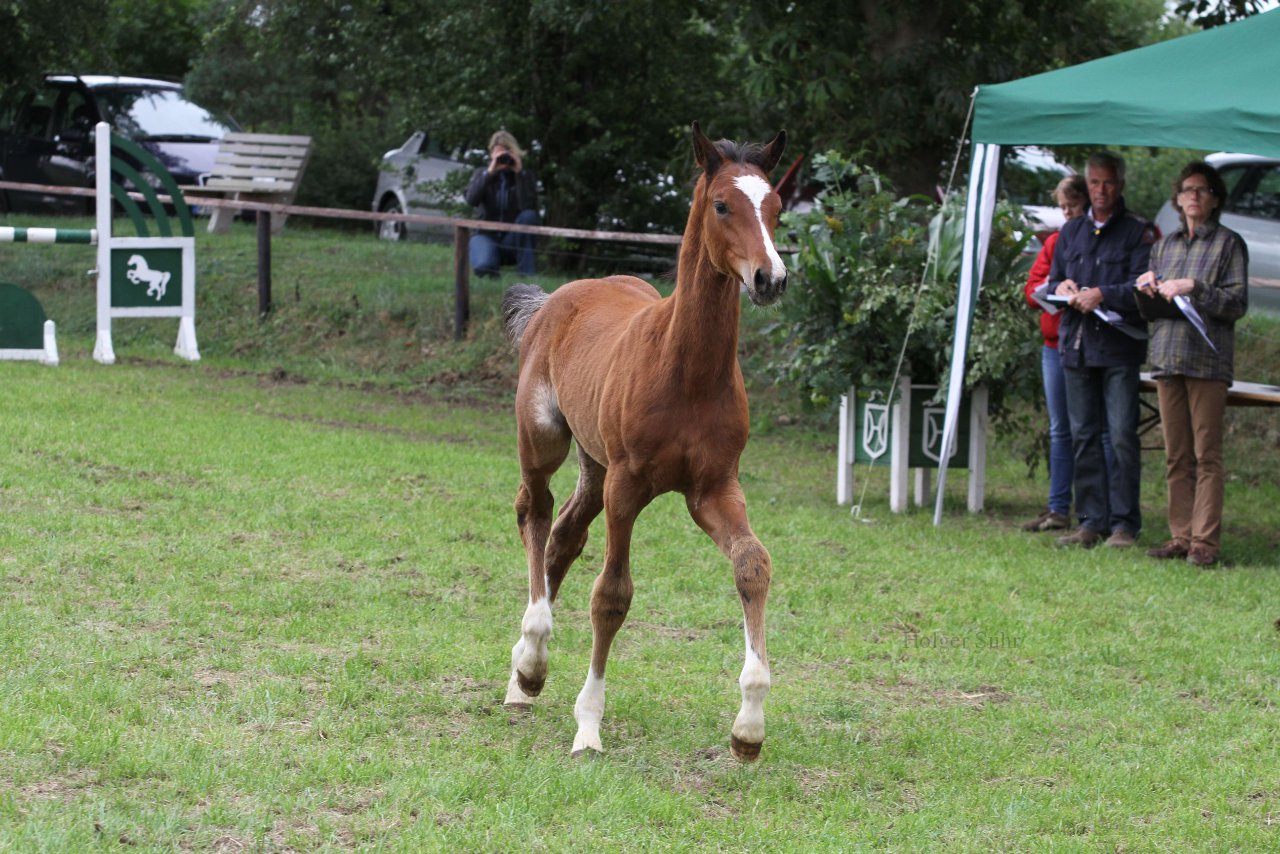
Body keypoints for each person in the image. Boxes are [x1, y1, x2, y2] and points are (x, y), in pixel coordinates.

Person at [1135, 162, 1248, 567]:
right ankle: (1180, 535)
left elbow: (1237, 304)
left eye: (1202, 190)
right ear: (1177, 198)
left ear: (1215, 199)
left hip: (1207, 361)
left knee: (1207, 454)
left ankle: (1205, 542)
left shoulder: (1229, 244)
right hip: (1166, 356)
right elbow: (1153, 309)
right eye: (1187, 189)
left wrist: (1195, 288)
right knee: (1176, 454)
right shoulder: (1163, 247)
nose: (1194, 196)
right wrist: (1146, 290)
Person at [1049, 151, 1155, 549]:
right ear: (1086, 184)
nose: (1101, 190)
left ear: (1120, 185)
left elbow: (1144, 287)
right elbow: (1055, 279)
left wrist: (1103, 294)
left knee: (1123, 435)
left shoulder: (1137, 232)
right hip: (1076, 347)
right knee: (1083, 435)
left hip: (1118, 349)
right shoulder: (1071, 232)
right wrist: (1062, 288)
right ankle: (1090, 521)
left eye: (1108, 182)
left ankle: (1124, 524)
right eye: (1094, 183)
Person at [1021, 175, 1088, 533]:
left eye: (1073, 207)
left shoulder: (1095, 240)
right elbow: (1032, 289)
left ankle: (1094, 510)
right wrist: (1051, 290)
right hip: (1053, 345)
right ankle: (1057, 507)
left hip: (1089, 345)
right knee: (1060, 429)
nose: (1067, 214)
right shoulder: (1054, 242)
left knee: (1090, 429)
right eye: (1063, 208)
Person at [465, 130, 540, 277]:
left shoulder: (525, 177)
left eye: (508, 153)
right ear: (492, 153)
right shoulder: (481, 174)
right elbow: (471, 200)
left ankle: (527, 277)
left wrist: (519, 174)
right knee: (484, 269)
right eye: (499, 154)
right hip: (485, 235)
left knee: (529, 216)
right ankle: (490, 264)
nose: (503, 159)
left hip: (511, 239)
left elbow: (529, 208)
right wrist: (490, 172)